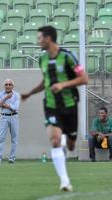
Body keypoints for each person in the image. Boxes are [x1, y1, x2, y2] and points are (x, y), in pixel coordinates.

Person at [21, 26, 88, 191]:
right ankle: (64, 181)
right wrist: (30, 93)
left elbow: (84, 79)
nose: (38, 42)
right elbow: (46, 82)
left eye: (40, 38)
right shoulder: (42, 59)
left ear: (48, 38)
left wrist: (63, 84)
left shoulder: (67, 57)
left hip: (70, 104)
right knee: (55, 141)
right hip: (51, 105)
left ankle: (67, 139)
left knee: (71, 146)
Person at [0, 79, 20, 164]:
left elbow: (15, 107)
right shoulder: (0, 94)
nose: (8, 86)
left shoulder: (16, 95)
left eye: (10, 84)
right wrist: (6, 97)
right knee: (0, 138)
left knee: (14, 139)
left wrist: (3, 104)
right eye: (6, 84)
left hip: (14, 117)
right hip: (4, 117)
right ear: (4, 86)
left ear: (13, 86)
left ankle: (12, 158)